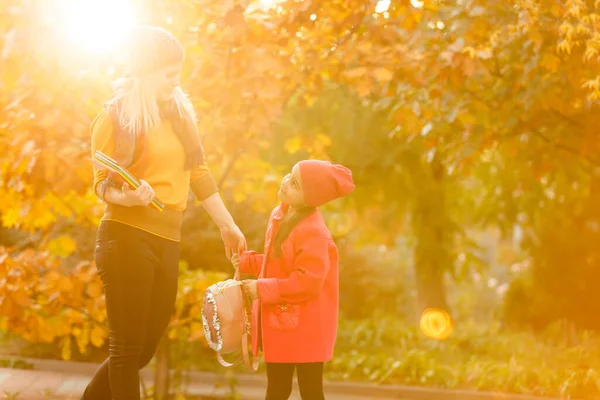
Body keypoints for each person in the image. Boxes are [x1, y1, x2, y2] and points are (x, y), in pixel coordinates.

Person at [83, 26, 246, 400]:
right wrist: (130, 198)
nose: (176, 75)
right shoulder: (115, 117)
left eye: (178, 68)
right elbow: (102, 185)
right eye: (167, 69)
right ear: (143, 70)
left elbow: (198, 172)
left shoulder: (180, 114)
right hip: (125, 236)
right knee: (125, 351)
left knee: (144, 350)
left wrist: (227, 224)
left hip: (167, 239)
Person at [231, 160, 355, 400]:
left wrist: (262, 288)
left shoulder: (313, 231)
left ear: (310, 199)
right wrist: (247, 262)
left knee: (310, 390)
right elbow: (278, 264)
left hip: (308, 326)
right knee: (277, 388)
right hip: (284, 323)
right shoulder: (281, 214)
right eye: (289, 175)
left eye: (295, 184)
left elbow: (308, 280)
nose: (286, 182)